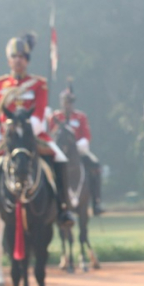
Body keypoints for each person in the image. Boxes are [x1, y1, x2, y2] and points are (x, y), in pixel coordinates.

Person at [0, 33, 74, 235]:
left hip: (33, 135)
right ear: (9, 60)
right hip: (7, 137)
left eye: (21, 56)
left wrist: (29, 131)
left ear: (27, 60)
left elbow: (39, 113)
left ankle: (64, 209)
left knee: (60, 158)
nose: (18, 60)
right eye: (14, 56)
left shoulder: (39, 84)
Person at [49, 80, 104, 215]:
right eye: (65, 102)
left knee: (95, 165)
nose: (68, 105)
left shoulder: (80, 117)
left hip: (77, 150)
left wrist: (79, 145)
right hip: (60, 152)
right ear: (61, 102)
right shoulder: (55, 117)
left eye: (70, 102)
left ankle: (96, 201)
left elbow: (86, 135)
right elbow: (50, 135)